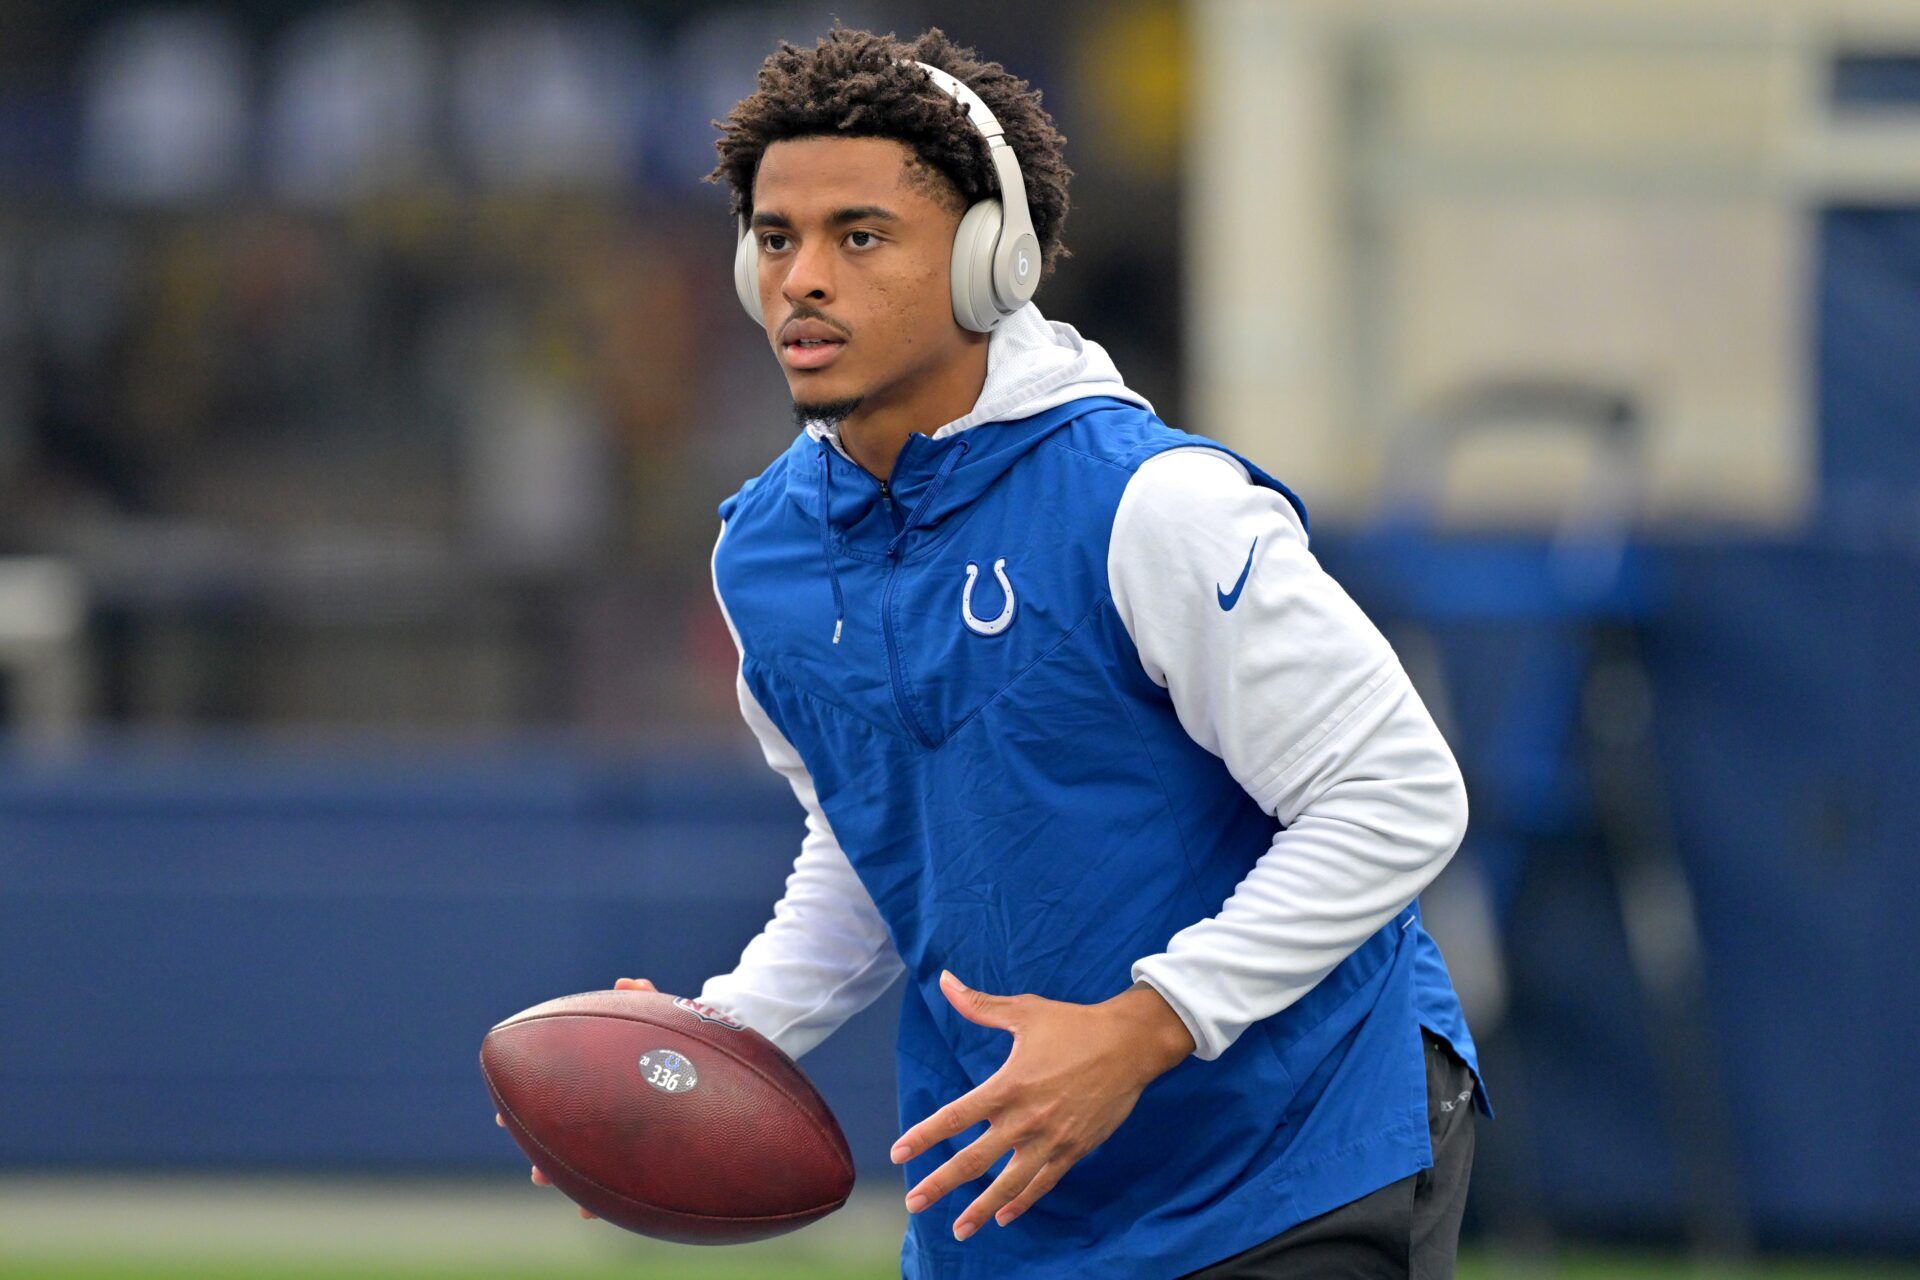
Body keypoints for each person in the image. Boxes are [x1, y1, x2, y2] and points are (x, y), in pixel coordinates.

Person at [503, 26, 1485, 1279]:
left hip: (1293, 1150)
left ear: (989, 261)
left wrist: (1143, 1026)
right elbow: (880, 838)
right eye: (774, 238)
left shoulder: (1152, 506)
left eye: (860, 236)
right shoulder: (764, 555)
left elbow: (1398, 795)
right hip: (1018, 1184)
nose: (803, 278)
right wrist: (724, 1033)